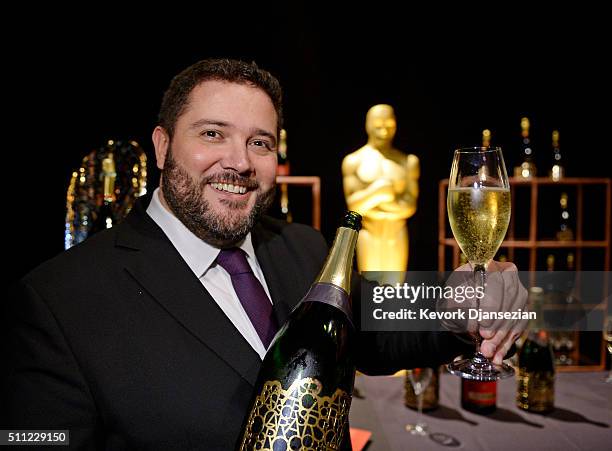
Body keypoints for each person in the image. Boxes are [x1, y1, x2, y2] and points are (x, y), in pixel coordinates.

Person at [1, 59, 526, 450]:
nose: (239, 162)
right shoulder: (57, 299)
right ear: (162, 147)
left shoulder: (302, 246)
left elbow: (377, 321)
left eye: (260, 143)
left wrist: (458, 305)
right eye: (212, 134)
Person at [342, 104, 419, 284]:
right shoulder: (354, 161)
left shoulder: (407, 162)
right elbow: (353, 205)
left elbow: (410, 205)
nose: (384, 131)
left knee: (395, 289)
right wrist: (379, 192)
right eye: (378, 125)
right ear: (368, 125)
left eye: (389, 125)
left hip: (396, 231)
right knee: (371, 287)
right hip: (369, 232)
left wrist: (378, 201)